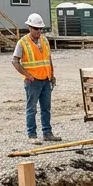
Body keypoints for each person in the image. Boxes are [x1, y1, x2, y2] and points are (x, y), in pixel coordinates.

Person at [12, 13, 58, 144]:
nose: (39, 31)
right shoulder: (22, 43)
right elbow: (15, 61)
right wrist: (27, 75)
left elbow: (48, 59)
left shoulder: (45, 41)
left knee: (46, 108)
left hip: (45, 79)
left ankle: (47, 133)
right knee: (31, 109)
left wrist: (52, 75)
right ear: (29, 28)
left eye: (40, 29)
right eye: (36, 28)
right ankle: (32, 135)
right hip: (32, 81)